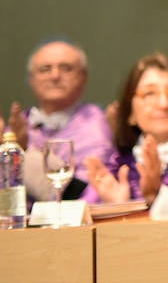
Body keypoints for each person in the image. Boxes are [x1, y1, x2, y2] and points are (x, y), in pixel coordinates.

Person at [81, 53, 168, 212]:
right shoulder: (117, 165)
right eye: (149, 93)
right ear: (131, 113)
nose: (163, 104)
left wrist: (156, 196)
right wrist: (119, 207)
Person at [5, 39, 115, 201]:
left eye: (66, 68)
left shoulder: (96, 125)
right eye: (45, 69)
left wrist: (25, 154)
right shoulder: (19, 125)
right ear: (31, 79)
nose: (55, 76)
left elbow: (79, 197)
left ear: (83, 76)